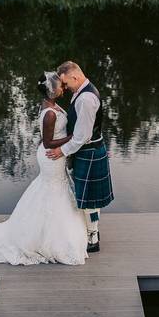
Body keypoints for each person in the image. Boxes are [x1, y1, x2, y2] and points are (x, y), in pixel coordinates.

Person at [0, 72, 88, 265]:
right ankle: (43, 238)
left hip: (56, 155)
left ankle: (46, 232)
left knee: (52, 190)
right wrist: (73, 138)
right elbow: (47, 142)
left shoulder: (51, 105)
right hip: (51, 155)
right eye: (60, 85)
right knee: (52, 189)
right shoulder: (50, 114)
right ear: (53, 91)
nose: (62, 87)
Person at [45, 61, 114, 253]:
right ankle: (93, 230)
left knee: (89, 200)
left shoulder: (86, 99)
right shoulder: (82, 91)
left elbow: (82, 137)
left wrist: (62, 151)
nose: (64, 88)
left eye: (66, 84)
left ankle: (93, 238)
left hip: (88, 151)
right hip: (91, 150)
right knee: (89, 198)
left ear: (75, 77)